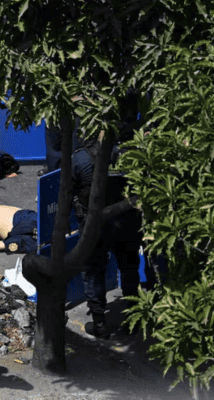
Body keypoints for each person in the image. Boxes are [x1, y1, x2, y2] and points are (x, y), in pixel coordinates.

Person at [72, 138, 143, 340]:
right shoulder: (131, 154)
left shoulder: (81, 158)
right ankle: (134, 319)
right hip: (127, 223)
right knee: (129, 269)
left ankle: (99, 323)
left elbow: (68, 191)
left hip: (94, 226)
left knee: (94, 271)